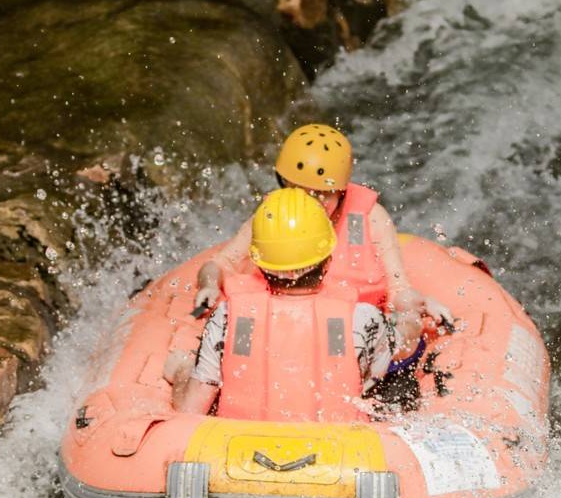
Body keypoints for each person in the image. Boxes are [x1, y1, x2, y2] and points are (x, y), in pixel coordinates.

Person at [192, 122, 426, 354]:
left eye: (323, 194)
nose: (313, 202)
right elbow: (221, 264)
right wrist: (209, 285)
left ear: (341, 190)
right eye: (302, 191)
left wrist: (415, 309)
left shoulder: (370, 218)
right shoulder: (274, 215)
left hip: (352, 334)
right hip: (287, 326)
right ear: (285, 185)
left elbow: (399, 288)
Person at [173, 187, 398, 421]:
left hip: (241, 446)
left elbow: (190, 410)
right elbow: (380, 374)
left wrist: (181, 372)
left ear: (259, 263)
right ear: (328, 260)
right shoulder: (363, 319)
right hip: (337, 449)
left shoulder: (228, 317)